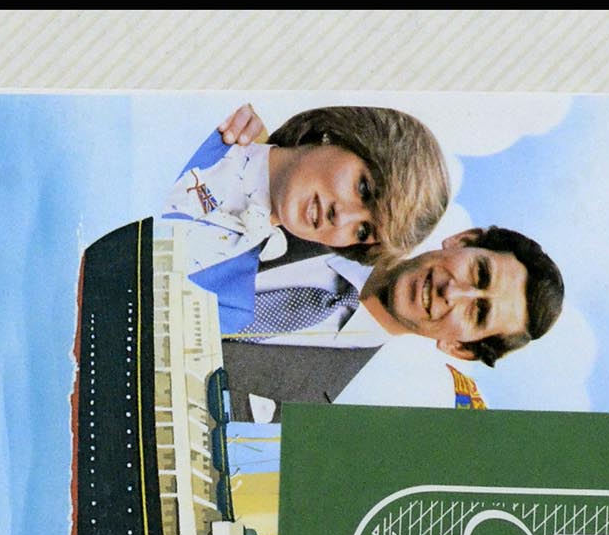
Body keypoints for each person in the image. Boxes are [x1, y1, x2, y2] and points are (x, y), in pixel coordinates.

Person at [222, 223, 566, 420]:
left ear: (459, 348)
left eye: (477, 313)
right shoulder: (315, 206)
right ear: (464, 240)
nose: (453, 292)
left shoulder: (301, 414)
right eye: (479, 273)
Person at [161, 103, 450, 335]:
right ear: (339, 135)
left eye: (363, 231)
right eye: (364, 189)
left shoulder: (231, 305)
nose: (342, 217)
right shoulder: (211, 114)